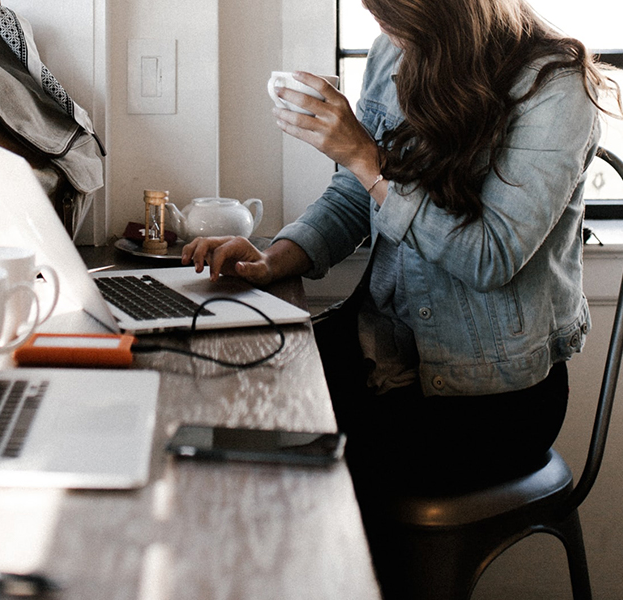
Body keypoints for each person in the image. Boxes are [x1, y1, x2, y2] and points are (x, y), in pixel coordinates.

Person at [183, 0, 622, 497]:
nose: (383, 31)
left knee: (287, 471)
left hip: (491, 398)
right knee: (220, 398)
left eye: (389, 13)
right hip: (383, 352)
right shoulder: (394, 55)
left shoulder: (557, 89)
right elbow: (355, 194)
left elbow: (490, 256)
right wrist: (274, 258)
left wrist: (365, 157)